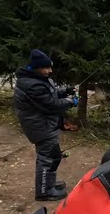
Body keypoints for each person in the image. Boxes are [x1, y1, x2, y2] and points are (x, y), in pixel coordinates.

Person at [13, 49, 78, 202]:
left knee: (54, 156)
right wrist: (70, 102)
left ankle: (49, 183)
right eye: (47, 67)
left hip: (47, 125)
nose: (50, 70)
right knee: (46, 158)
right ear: (36, 67)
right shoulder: (31, 84)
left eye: (50, 67)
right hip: (41, 128)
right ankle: (44, 192)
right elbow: (51, 104)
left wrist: (65, 91)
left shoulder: (36, 78)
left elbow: (51, 93)